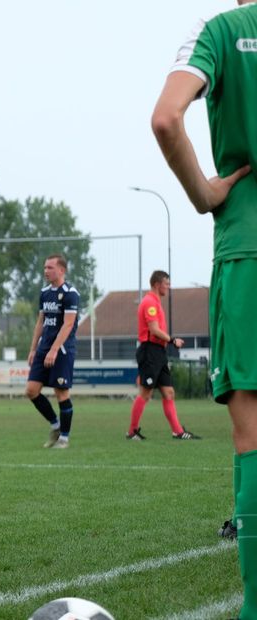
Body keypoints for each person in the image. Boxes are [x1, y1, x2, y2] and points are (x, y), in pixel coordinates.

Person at [152, 3, 257, 615]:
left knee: (251, 438)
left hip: (247, 247)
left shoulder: (221, 30)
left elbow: (167, 119)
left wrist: (204, 192)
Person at [126, 270, 200, 441]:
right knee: (145, 393)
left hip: (158, 352)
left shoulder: (156, 302)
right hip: (150, 351)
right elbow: (154, 330)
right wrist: (173, 340)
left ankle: (178, 432)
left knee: (168, 392)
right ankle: (132, 431)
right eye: (166, 283)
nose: (169, 286)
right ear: (157, 284)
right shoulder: (150, 302)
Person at [24, 254, 80, 450]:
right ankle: (56, 426)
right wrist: (33, 349)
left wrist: (55, 350)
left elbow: (68, 324)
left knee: (61, 393)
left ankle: (64, 438)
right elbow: (40, 322)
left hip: (62, 350)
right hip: (43, 349)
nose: (46, 271)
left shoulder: (71, 293)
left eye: (50, 268)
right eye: (45, 267)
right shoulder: (44, 293)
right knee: (31, 390)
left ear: (61, 270)